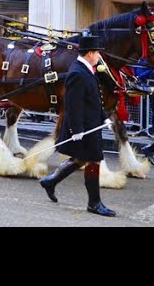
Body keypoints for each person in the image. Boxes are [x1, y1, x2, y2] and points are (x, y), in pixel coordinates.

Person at [38, 34, 116, 217]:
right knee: (93, 160)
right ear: (89, 53)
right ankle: (94, 204)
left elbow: (94, 99)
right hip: (83, 128)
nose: (99, 56)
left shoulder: (86, 69)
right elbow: (73, 106)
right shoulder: (77, 73)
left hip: (91, 124)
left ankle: (50, 181)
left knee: (81, 159)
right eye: (97, 53)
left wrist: (103, 117)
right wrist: (77, 130)